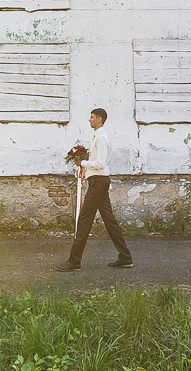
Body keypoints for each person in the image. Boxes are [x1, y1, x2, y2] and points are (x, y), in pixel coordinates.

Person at [55, 108, 133, 272]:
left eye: (92, 117)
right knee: (109, 221)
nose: (89, 120)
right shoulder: (99, 136)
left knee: (84, 219)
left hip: (98, 182)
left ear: (99, 119)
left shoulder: (102, 137)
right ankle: (125, 257)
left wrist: (82, 163)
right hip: (98, 181)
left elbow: (101, 163)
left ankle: (74, 261)